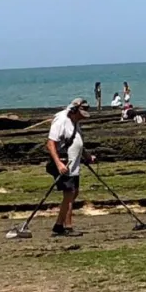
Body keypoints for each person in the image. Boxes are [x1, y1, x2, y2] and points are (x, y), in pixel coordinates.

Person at [46, 98, 96, 237]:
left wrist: (86, 156)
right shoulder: (61, 120)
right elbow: (50, 144)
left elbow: (76, 140)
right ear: (74, 110)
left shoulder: (75, 120)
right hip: (64, 163)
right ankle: (67, 227)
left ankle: (58, 225)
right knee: (69, 194)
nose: (82, 118)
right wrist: (59, 164)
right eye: (80, 114)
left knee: (74, 193)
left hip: (74, 164)